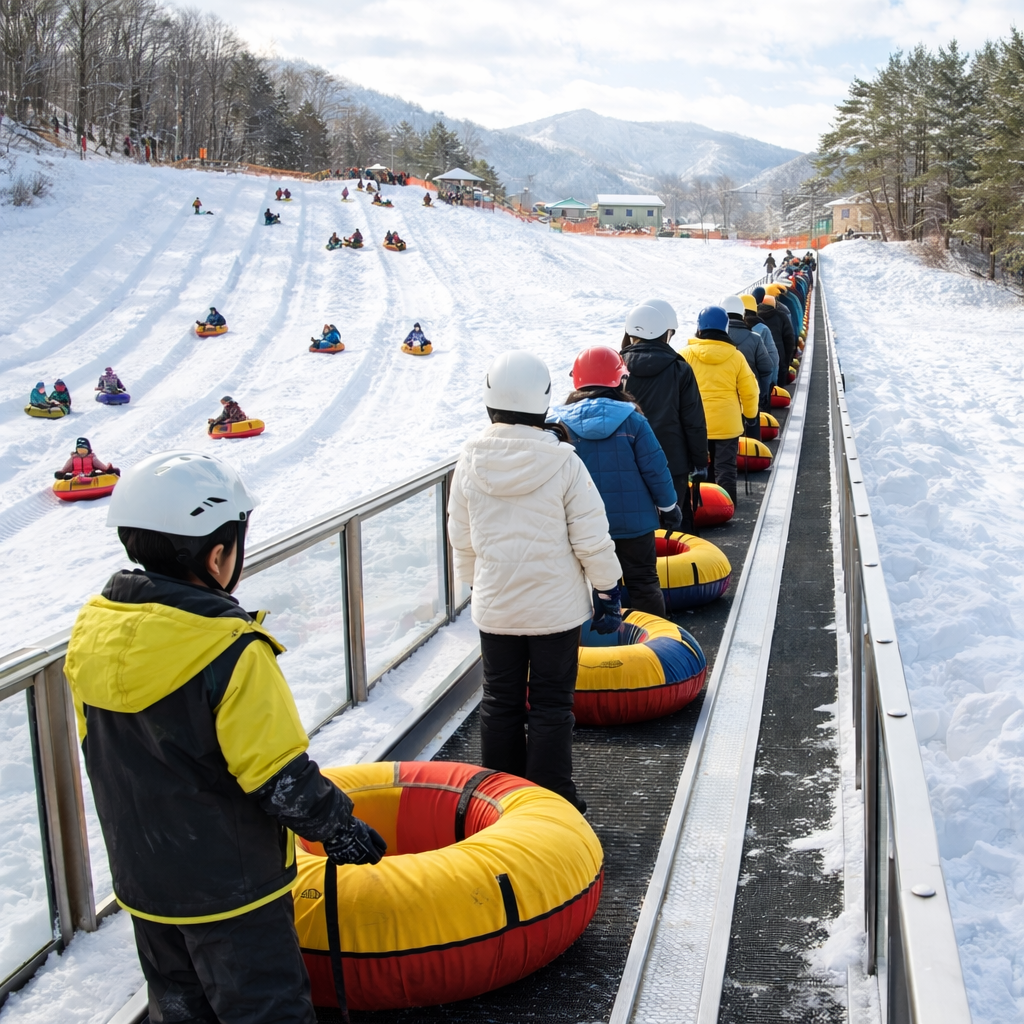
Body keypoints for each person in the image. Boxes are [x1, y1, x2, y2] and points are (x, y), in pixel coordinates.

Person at [63, 451, 384, 1024]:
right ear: (217, 555)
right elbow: (278, 776)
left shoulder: (93, 632)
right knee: (266, 1010)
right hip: (234, 892)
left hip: (146, 882)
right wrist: (340, 829)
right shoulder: (231, 650)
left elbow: (99, 747)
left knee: (181, 1008)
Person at [447, 351, 623, 813]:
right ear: (543, 401)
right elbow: (591, 537)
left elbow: (461, 538)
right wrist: (607, 589)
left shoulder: (469, 460)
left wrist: (476, 586)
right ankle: (552, 801)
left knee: (499, 701)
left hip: (497, 609)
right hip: (556, 611)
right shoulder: (563, 462)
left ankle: (500, 802)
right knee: (550, 705)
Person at [551, 346, 680, 617]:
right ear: (619, 379)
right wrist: (669, 507)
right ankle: (657, 638)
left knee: (595, 587)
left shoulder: (559, 425)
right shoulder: (634, 421)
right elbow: (655, 469)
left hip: (583, 525)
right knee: (643, 582)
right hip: (635, 525)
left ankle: (603, 641)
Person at [619, 301, 708, 533]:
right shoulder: (679, 368)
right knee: (672, 524)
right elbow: (693, 421)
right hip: (673, 461)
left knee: (638, 527)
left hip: (628, 458)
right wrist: (700, 461)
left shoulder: (617, 368)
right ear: (664, 332)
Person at [680, 307, 759, 504]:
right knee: (725, 468)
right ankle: (726, 507)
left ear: (699, 327)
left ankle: (701, 507)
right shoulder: (736, 356)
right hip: (727, 424)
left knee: (697, 467)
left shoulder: (685, 355)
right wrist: (750, 415)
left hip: (694, 423)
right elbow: (750, 391)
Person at [720, 296, 774, 418]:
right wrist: (763, 394)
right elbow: (767, 368)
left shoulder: (712, 341)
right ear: (742, 314)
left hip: (721, 405)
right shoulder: (755, 339)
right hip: (750, 400)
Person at [740, 294, 778, 390]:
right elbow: (773, 358)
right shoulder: (763, 329)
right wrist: (772, 384)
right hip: (756, 385)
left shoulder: (727, 330)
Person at [757, 293, 796, 381]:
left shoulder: (755, 317)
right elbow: (789, 340)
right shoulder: (782, 316)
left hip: (760, 359)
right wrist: (787, 362)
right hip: (779, 358)